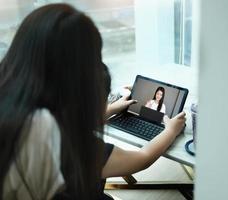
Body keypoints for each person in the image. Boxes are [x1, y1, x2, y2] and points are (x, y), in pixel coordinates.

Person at [0, 4, 186, 200]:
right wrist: (171, 130)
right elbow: (142, 158)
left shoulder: (14, 99)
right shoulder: (57, 140)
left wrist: (112, 109)